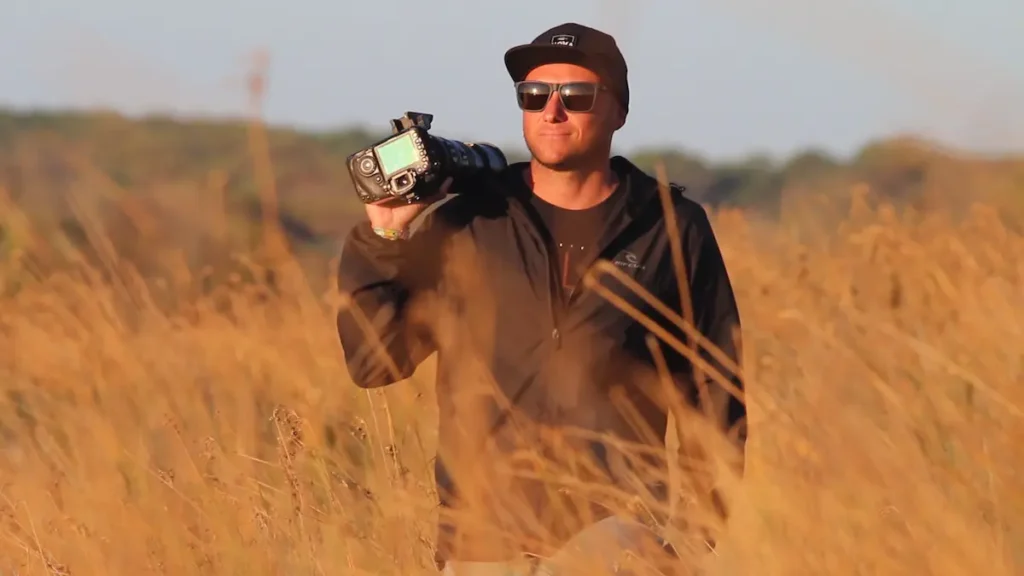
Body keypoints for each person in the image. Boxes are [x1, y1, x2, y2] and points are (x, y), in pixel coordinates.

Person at [336, 22, 747, 576]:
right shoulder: (468, 221)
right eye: (534, 96)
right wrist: (383, 237)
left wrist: (694, 539)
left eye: (575, 97)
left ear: (619, 111)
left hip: (618, 538)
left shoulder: (670, 227)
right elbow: (374, 362)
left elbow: (714, 391)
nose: (551, 111)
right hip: (483, 541)